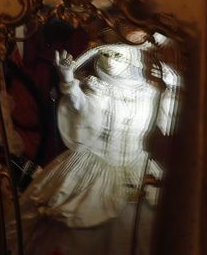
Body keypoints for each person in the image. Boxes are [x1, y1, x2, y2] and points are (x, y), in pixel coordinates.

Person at [10, 41, 181, 255]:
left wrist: (172, 83)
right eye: (108, 53)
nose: (111, 60)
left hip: (137, 170)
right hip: (91, 167)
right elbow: (83, 108)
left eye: (118, 55)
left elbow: (169, 122)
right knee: (79, 232)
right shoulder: (98, 87)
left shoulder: (151, 91)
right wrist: (69, 82)